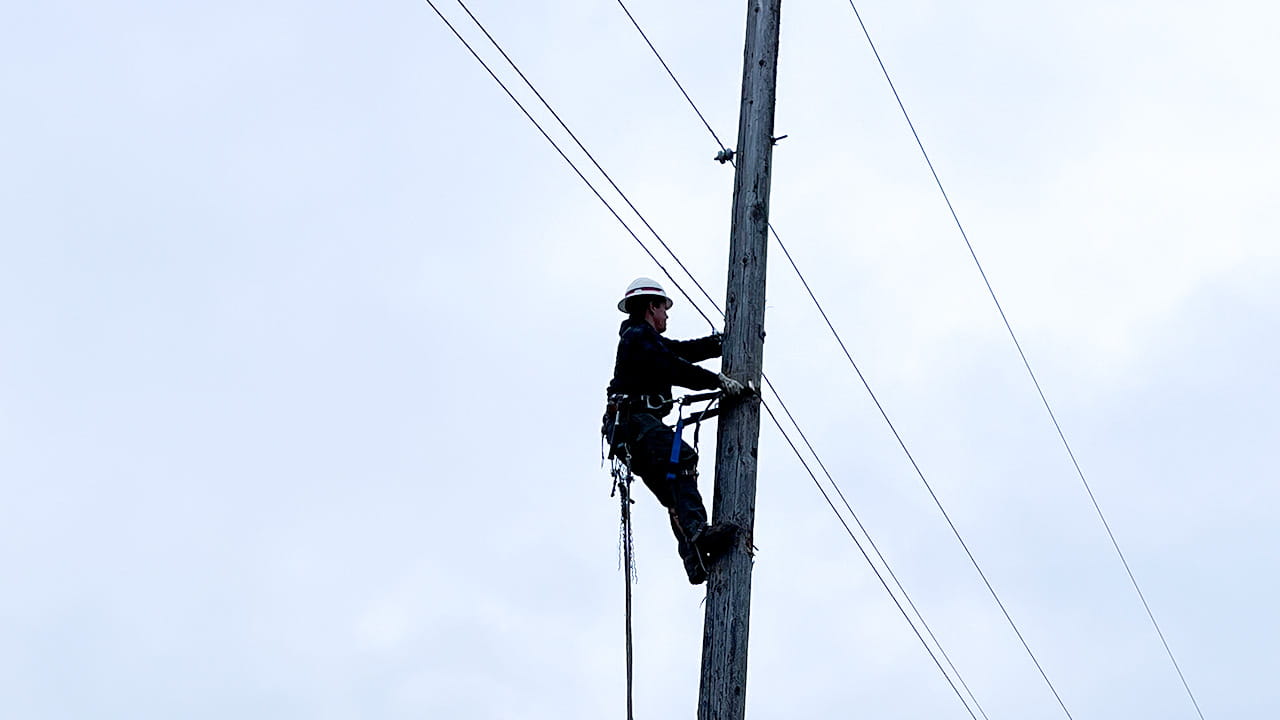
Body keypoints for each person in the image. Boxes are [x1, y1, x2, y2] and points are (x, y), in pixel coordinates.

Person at [602, 277, 747, 584]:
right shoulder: (638, 336)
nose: (666, 314)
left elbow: (679, 352)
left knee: (673, 492)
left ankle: (694, 560)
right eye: (663, 308)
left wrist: (716, 344)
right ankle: (698, 534)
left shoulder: (641, 338)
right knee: (683, 459)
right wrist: (716, 381)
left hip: (630, 430)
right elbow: (672, 365)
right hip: (634, 421)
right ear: (650, 307)